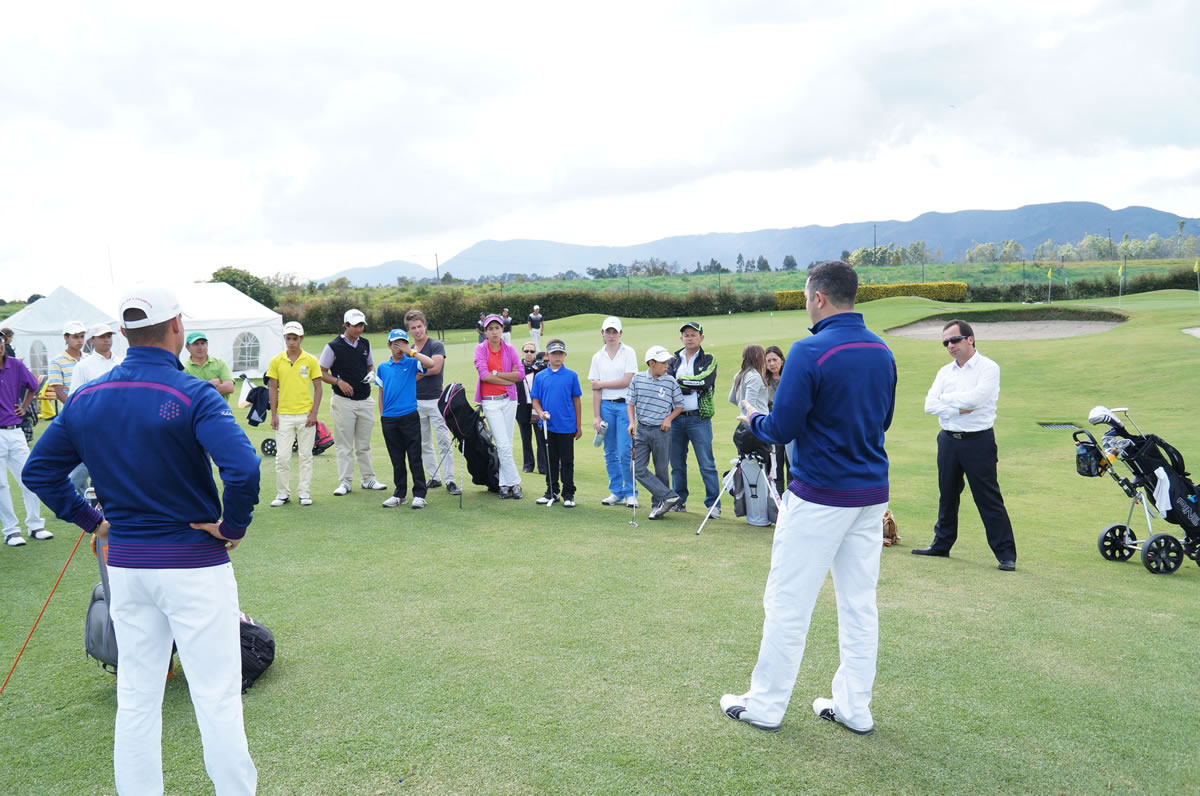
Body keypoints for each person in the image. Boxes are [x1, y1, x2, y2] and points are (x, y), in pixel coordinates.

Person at [23, 285, 260, 793]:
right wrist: (232, 527)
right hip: (193, 564)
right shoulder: (191, 392)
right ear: (176, 326)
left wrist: (92, 521)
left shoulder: (87, 396)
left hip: (127, 565)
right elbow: (242, 469)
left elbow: (40, 472)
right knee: (215, 696)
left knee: (136, 696)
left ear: (125, 334)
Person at [720, 259, 896, 736]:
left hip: (821, 494)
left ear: (818, 297)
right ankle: (854, 707)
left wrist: (751, 418)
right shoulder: (882, 350)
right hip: (870, 494)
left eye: (805, 295)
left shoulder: (810, 349)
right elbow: (883, 421)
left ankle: (765, 704)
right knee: (859, 603)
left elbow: (783, 427)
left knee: (787, 599)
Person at [915, 319, 1018, 571]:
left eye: (954, 340)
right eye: (945, 342)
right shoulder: (944, 372)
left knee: (988, 497)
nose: (950, 345)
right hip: (948, 440)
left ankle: (1006, 554)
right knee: (947, 494)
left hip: (978, 441)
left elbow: (976, 400)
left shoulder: (988, 368)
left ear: (969, 339)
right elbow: (930, 405)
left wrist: (948, 402)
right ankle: (942, 544)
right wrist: (959, 408)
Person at [319, 308, 387, 496]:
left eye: (361, 325)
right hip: (343, 402)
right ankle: (345, 482)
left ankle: (368, 479)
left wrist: (371, 373)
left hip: (365, 399)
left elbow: (369, 364)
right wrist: (338, 382)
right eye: (355, 325)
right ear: (346, 325)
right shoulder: (332, 347)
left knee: (364, 444)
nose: (359, 329)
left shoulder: (365, 343)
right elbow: (322, 372)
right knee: (344, 445)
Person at [376, 329, 438, 509]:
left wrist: (411, 351)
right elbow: (381, 393)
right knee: (396, 458)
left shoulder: (412, 362)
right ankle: (399, 494)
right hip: (389, 418)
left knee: (414, 456)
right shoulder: (383, 367)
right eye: (395, 344)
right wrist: (382, 415)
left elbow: (431, 363)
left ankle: (419, 494)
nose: (398, 347)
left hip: (409, 416)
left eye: (402, 343)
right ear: (389, 345)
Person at [266, 321, 323, 507]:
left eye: (295, 338)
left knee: (306, 456)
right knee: (282, 456)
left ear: (301, 339)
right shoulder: (276, 360)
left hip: (306, 415)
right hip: (284, 415)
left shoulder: (311, 360)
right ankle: (282, 493)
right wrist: (273, 415)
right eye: (288, 338)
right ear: (284, 338)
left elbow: (318, 387)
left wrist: (314, 412)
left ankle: (304, 491)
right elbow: (272, 388)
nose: (291, 342)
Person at [667, 321, 720, 517]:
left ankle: (713, 505)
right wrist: (689, 385)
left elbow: (705, 381)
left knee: (707, 464)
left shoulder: (708, 358)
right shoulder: (673, 360)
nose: (689, 338)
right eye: (686, 335)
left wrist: (681, 383)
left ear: (701, 338)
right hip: (675, 419)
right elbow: (667, 383)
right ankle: (679, 501)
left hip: (699, 418)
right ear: (681, 338)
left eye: (693, 334)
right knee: (677, 464)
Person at [405, 309, 460, 495]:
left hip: (436, 400)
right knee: (423, 443)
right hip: (416, 402)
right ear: (409, 331)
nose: (417, 330)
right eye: (413, 328)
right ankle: (434, 477)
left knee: (444, 441)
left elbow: (435, 368)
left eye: (419, 326)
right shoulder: (410, 350)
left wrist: (413, 378)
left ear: (425, 326)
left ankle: (450, 480)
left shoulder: (435, 345)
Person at [0, 344, 51, 546]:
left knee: (29, 478)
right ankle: (11, 531)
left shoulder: (15, 365)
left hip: (15, 431)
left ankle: (36, 525)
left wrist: (24, 406)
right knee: (1, 485)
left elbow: (33, 386)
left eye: (1, 344)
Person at [626, 345, 684, 520]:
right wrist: (631, 423)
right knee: (636, 468)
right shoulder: (637, 379)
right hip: (642, 430)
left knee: (661, 471)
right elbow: (630, 403)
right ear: (651, 363)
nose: (667, 365)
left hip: (661, 431)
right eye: (663, 362)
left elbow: (679, 406)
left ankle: (658, 507)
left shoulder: (670, 381)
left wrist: (668, 419)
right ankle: (668, 497)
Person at [67, 323, 123, 496]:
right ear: (92, 340)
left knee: (118, 472)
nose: (107, 340)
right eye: (102, 337)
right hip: (95, 428)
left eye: (109, 336)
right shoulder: (83, 366)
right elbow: (74, 398)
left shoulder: (122, 362)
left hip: (121, 426)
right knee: (91, 472)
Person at [589, 316, 639, 507]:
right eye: (607, 332)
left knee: (625, 451)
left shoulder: (628, 352)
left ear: (620, 333)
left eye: (614, 332)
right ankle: (616, 491)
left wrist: (601, 383)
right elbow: (595, 389)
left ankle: (631, 491)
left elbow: (627, 380)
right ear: (602, 333)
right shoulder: (597, 357)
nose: (611, 335)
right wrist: (596, 416)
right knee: (609, 451)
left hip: (625, 406)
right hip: (605, 406)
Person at [474, 314, 525, 498]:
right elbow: (484, 375)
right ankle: (516, 482)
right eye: (490, 329)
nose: (494, 332)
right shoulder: (480, 349)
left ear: (502, 329)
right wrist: (506, 376)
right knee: (502, 445)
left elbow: (520, 374)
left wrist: (497, 373)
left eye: (497, 328)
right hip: (491, 403)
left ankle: (504, 483)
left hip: (509, 400)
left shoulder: (510, 349)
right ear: (485, 331)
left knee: (507, 444)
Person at [529, 339, 582, 507]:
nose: (557, 357)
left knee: (567, 461)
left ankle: (568, 494)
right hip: (547, 427)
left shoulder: (571, 375)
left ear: (564, 355)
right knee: (550, 460)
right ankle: (551, 491)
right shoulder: (541, 376)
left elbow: (576, 401)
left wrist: (578, 426)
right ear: (547, 356)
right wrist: (540, 413)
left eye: (560, 354)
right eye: (554, 354)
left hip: (566, 426)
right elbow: (535, 401)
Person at [515, 342, 548, 475]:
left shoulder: (541, 368)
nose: (529, 353)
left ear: (535, 353)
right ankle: (528, 464)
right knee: (526, 438)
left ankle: (543, 466)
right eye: (526, 351)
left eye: (532, 351)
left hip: (537, 406)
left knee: (540, 438)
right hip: (522, 406)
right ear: (522, 352)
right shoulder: (516, 368)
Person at [182, 330, 235, 404]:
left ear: (207, 345)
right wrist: (209, 383)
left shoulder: (219, 363)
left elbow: (229, 387)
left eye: (202, 343)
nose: (200, 347)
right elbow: (187, 394)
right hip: (198, 413)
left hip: (221, 411)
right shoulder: (183, 369)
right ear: (187, 347)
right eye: (196, 344)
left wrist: (199, 390)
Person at [764, 345, 789, 494]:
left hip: (791, 425)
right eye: (768, 361)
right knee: (777, 464)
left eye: (775, 359)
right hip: (774, 427)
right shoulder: (764, 381)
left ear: (782, 360)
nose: (772, 364)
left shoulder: (790, 377)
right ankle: (778, 501)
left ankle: (792, 499)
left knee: (792, 464)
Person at [47, 320, 87, 404]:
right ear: (66, 338)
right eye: (75, 337)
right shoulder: (56, 362)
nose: (80, 340)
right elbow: (59, 392)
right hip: (71, 409)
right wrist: (74, 407)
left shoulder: (88, 359)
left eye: (82, 336)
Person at [729, 344, 769, 420]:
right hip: (758, 421)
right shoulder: (755, 376)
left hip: (745, 419)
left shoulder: (739, 374)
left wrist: (743, 409)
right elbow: (749, 403)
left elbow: (732, 398)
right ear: (757, 356)